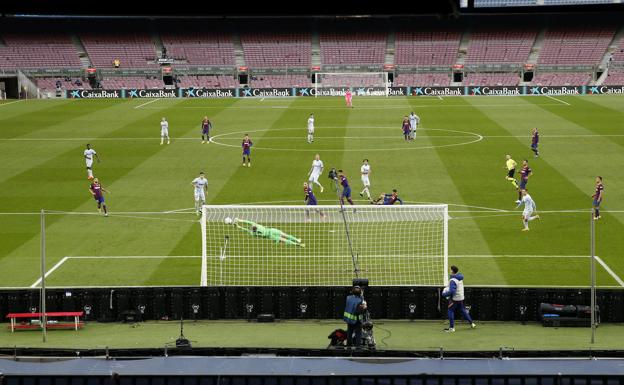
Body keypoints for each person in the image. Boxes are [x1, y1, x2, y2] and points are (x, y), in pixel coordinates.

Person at [442, 265, 476, 333]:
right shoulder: (460, 277)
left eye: (450, 269)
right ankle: (472, 323)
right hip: (461, 298)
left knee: (450, 311)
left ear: (452, 271)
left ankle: (452, 328)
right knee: (463, 310)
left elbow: (452, 291)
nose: (449, 270)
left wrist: (444, 294)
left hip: (455, 299)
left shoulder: (453, 280)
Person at [232, 218, 304, 247]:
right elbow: (248, 222)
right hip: (271, 231)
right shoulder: (256, 226)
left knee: (283, 240)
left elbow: (245, 229)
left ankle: (297, 243)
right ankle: (297, 241)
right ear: (255, 227)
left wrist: (238, 226)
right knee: (284, 235)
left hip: (271, 236)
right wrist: (239, 220)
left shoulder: (253, 233)